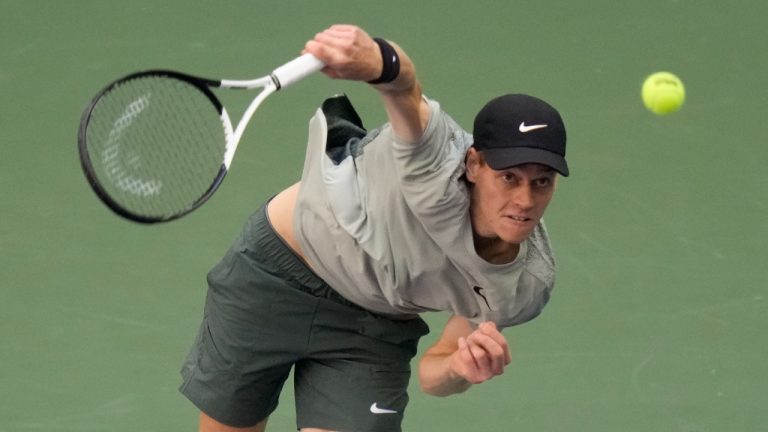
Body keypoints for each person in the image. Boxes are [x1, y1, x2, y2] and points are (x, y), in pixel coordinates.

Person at [179, 24, 569, 432]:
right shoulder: (434, 162)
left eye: (541, 181)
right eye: (509, 178)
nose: (525, 201)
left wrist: (459, 367)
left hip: (372, 325)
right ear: (473, 165)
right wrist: (380, 58)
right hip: (272, 277)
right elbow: (404, 89)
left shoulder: (524, 285)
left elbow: (433, 376)